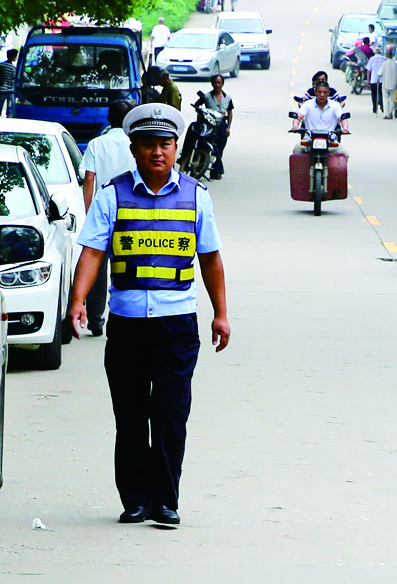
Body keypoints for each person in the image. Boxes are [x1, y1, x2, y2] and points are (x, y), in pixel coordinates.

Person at [67, 102, 230, 526]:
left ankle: (166, 500)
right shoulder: (112, 195)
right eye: (148, 144)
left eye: (165, 144)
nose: (157, 152)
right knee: (131, 415)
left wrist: (221, 313)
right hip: (127, 326)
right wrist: (78, 300)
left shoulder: (196, 196)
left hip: (177, 326)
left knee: (171, 414)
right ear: (134, 149)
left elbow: (210, 259)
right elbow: (92, 252)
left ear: (176, 148)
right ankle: (135, 499)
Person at [80, 99, 137, 336]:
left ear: (108, 119)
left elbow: (89, 179)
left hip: (103, 211)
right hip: (133, 211)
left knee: (97, 265)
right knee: (130, 265)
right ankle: (129, 316)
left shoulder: (96, 144)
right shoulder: (136, 144)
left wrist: (89, 211)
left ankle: (95, 321)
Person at [291, 82, 350, 155]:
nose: (322, 95)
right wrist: (295, 126)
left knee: (344, 153)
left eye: (325, 92)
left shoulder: (335, 105)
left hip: (330, 139)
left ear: (328, 93)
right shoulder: (307, 104)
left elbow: (342, 118)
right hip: (309, 138)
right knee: (297, 149)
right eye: (319, 92)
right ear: (315, 92)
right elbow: (299, 116)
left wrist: (345, 128)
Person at [203, 74, 233, 180]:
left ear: (222, 84)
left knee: (220, 148)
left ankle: (215, 171)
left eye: (219, 83)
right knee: (213, 148)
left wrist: (228, 127)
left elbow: (230, 113)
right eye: (215, 83)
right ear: (212, 84)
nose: (217, 85)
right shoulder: (207, 97)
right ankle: (217, 170)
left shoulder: (227, 98)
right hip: (210, 125)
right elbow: (197, 106)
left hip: (222, 125)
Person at [0, 49, 18, 117]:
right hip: (10, 91)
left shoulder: (0, 65)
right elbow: (15, 79)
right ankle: (9, 117)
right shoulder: (13, 68)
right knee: (10, 109)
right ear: (14, 57)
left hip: (1, 90)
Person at [380, 49, 397, 119]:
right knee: (392, 100)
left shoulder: (384, 64)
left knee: (385, 99)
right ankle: (390, 113)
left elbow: (380, 74)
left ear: (386, 56)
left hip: (385, 84)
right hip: (393, 84)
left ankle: (386, 114)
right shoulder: (395, 64)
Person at [367, 47, 385, 113]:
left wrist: (368, 80)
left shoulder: (372, 59)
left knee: (374, 94)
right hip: (382, 80)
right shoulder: (384, 59)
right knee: (382, 94)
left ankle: (375, 108)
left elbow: (369, 70)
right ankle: (383, 107)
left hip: (373, 79)